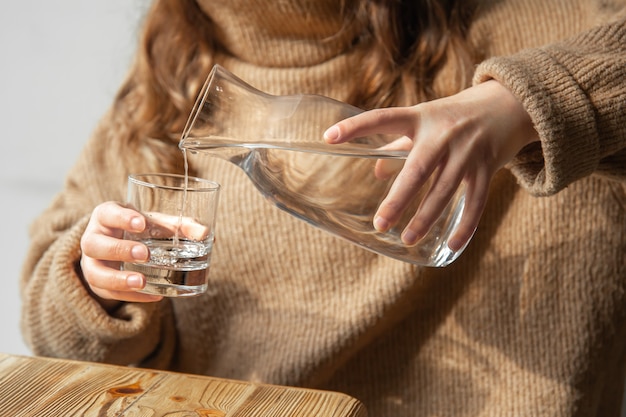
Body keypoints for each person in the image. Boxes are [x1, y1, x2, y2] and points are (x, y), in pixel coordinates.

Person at [20, 0, 626, 415]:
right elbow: (53, 334)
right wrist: (97, 279)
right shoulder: (163, 93)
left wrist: (516, 106)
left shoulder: (533, 29)